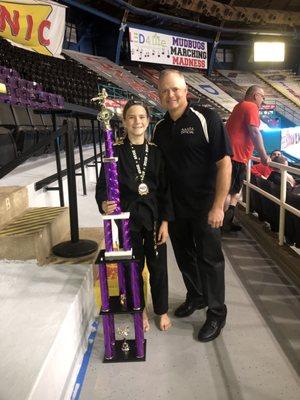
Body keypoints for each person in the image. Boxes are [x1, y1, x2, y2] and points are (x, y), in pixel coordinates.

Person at [153, 69, 232, 342]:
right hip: (176, 209)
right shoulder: (160, 129)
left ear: (186, 91)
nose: (170, 94)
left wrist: (218, 206)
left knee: (210, 261)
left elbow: (225, 164)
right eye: (165, 90)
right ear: (159, 95)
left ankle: (216, 314)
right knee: (185, 257)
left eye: (175, 89)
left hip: (205, 206)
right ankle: (196, 296)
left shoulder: (206, 118)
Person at [95, 100, 173, 332]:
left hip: (154, 220)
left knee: (159, 269)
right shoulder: (115, 153)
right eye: (131, 117)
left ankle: (162, 310)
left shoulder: (158, 153)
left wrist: (166, 222)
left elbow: (166, 190)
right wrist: (104, 203)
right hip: (127, 223)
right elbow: (103, 187)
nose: (137, 121)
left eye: (141, 117)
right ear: (124, 122)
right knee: (133, 268)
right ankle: (140, 310)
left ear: (148, 120)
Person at [224, 85, 270, 231]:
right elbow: (255, 132)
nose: (263, 101)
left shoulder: (239, 106)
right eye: (263, 97)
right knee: (229, 191)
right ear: (256, 95)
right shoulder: (251, 106)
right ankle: (221, 224)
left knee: (233, 191)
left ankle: (226, 220)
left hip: (233, 155)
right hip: (236, 157)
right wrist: (263, 156)